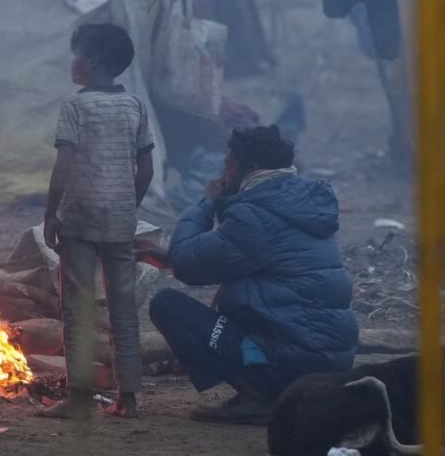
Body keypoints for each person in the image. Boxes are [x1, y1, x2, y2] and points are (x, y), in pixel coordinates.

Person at [144, 125, 357, 425]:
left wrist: (206, 202)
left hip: (292, 366)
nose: (223, 176)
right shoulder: (297, 202)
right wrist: (170, 257)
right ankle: (264, 387)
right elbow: (236, 257)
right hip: (327, 365)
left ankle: (262, 396)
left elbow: (187, 262)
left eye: (229, 166)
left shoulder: (255, 216)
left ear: (251, 168)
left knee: (167, 306)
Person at [39, 23, 155, 420]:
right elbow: (146, 169)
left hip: (80, 218)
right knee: (123, 306)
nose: (72, 61)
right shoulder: (135, 106)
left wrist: (51, 212)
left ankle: (79, 398)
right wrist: (126, 205)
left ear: (92, 60)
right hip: (120, 221)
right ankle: (129, 398)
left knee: (78, 305)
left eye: (76, 54)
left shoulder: (76, 106)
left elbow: (64, 164)